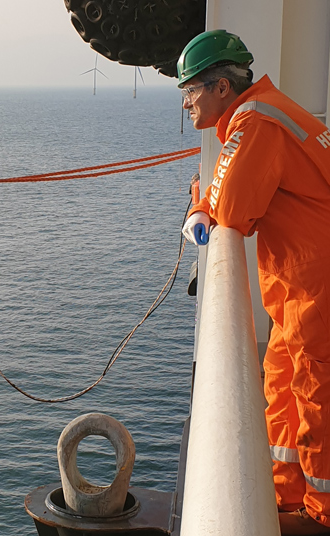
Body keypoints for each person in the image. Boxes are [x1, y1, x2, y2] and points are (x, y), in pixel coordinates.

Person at [178, 29, 330, 535]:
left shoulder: (256, 119)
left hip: (316, 286)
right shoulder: (262, 111)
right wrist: (208, 198)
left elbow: (234, 208)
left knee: (314, 397)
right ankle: (286, 496)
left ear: (222, 87)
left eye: (191, 90)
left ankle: (321, 514)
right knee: (284, 386)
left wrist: (202, 203)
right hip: (298, 286)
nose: (186, 104)